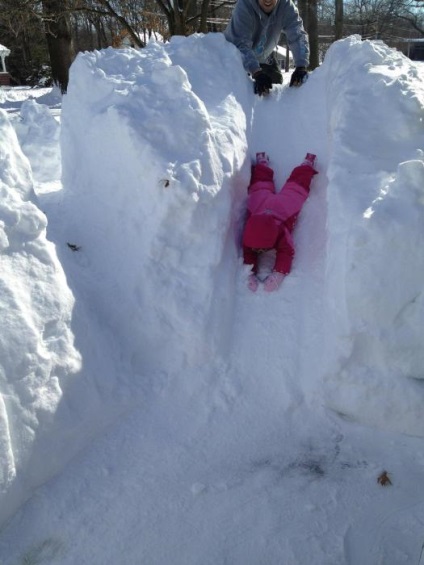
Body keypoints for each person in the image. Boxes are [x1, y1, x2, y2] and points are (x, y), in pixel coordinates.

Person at [242, 151, 318, 292]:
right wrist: (249, 273)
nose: (260, 251)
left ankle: (306, 166)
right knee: (260, 187)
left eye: (262, 249)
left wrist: (279, 273)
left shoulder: (281, 232)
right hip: (261, 206)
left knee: (296, 187)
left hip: (283, 208)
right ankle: (262, 165)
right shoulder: (249, 236)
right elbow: (248, 252)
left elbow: (286, 252)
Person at [224, 0, 310, 96]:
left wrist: (301, 66)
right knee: (242, 90)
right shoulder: (244, 6)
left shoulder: (286, 6)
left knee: (275, 82)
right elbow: (240, 45)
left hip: (264, 54)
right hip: (234, 56)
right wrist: (256, 73)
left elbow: (297, 35)